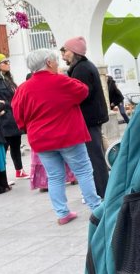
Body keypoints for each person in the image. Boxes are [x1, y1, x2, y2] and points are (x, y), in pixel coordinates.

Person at [12, 49, 102, 224]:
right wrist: (63, 75)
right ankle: (96, 208)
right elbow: (83, 91)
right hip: (68, 136)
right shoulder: (61, 81)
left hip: (41, 140)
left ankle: (62, 213)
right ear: (48, 63)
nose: (58, 64)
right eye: (55, 61)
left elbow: (19, 118)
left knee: (54, 176)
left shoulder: (22, 89)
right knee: (83, 171)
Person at [60, 36, 110, 198]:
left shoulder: (81, 69)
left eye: (65, 51)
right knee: (95, 156)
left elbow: (81, 94)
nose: (63, 55)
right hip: (92, 118)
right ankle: (103, 191)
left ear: (74, 52)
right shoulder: (82, 67)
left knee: (94, 158)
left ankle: (102, 193)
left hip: (89, 119)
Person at [0, 53, 28, 178]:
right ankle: (1, 175)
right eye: (5, 62)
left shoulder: (8, 79)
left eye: (8, 62)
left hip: (14, 115)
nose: (8, 64)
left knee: (16, 143)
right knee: (3, 147)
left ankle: (19, 170)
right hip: (4, 117)